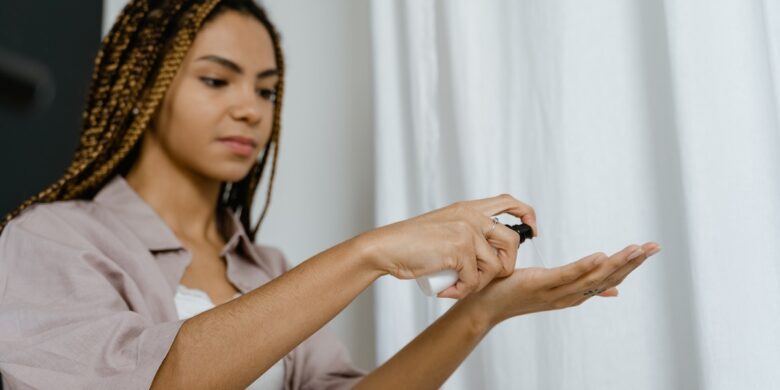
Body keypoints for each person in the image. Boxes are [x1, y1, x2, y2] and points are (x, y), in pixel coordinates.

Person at [0, 0, 660, 389]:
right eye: (216, 80)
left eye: (265, 90)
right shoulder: (48, 240)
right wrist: (371, 253)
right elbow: (158, 381)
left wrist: (486, 312)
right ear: (143, 86)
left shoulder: (266, 271)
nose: (250, 110)